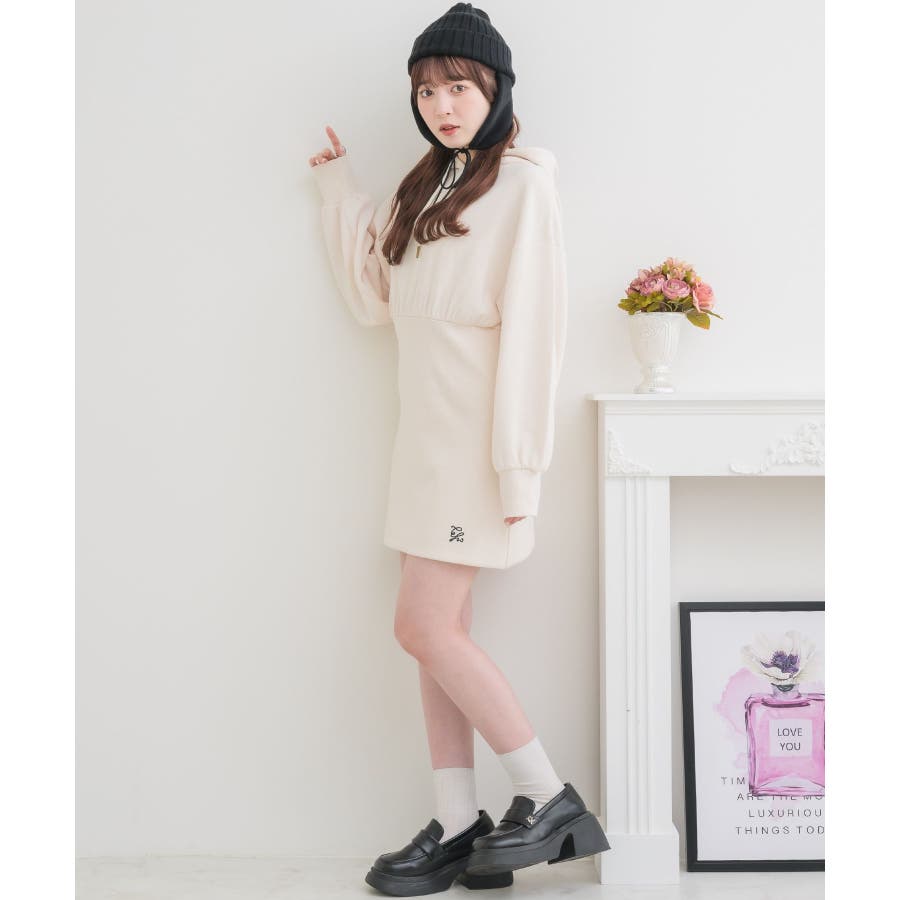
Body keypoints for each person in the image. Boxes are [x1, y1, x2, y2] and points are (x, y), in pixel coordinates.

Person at [308, 3, 609, 895]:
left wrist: (519, 466)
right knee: (439, 637)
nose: (442, 106)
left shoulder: (523, 187)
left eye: (460, 88)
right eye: (428, 90)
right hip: (423, 448)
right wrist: (339, 193)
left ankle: (548, 797)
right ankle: (456, 823)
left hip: (476, 452)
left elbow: (536, 337)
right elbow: (375, 300)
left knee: (422, 627)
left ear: (496, 90)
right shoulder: (428, 186)